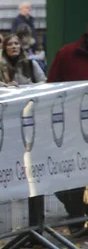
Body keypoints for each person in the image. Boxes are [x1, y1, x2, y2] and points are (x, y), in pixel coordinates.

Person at [47, 33, 88, 236]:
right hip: (71, 128)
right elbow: (51, 86)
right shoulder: (66, 54)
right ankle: (76, 215)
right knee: (70, 174)